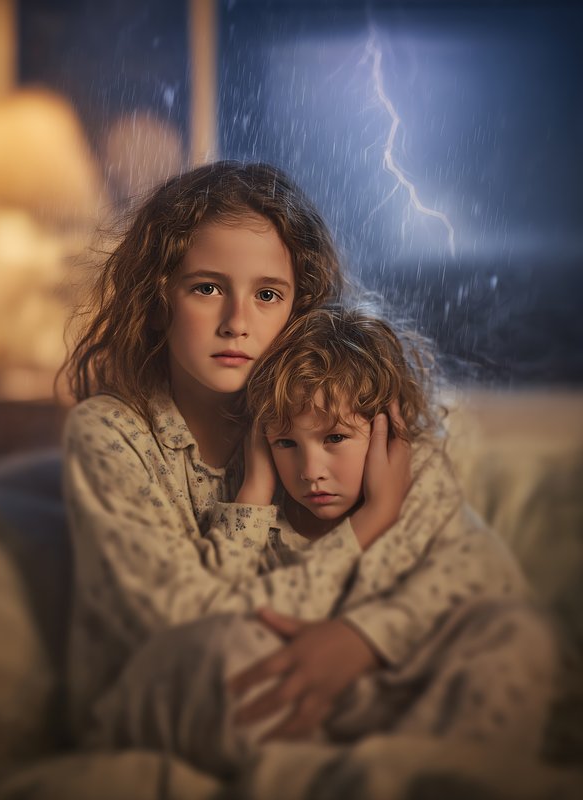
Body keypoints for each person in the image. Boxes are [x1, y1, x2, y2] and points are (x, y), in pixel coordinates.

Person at [80, 305, 558, 779]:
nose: (310, 472)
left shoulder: (420, 481)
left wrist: (366, 636)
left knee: (516, 632)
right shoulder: (258, 512)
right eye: (286, 444)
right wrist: (256, 497)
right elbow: (213, 620)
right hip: (294, 699)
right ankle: (337, 777)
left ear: (387, 433)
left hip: (394, 689)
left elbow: (483, 574)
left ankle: (417, 776)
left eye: (334, 438)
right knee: (229, 649)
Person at [62, 162, 413, 743]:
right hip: (156, 701)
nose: (237, 323)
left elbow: (436, 572)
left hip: (308, 680)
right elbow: (191, 625)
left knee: (504, 632)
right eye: (207, 288)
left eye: (268, 295)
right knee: (237, 650)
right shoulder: (107, 434)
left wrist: (365, 637)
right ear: (157, 300)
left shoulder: (332, 419)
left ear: (299, 311)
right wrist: (267, 500)